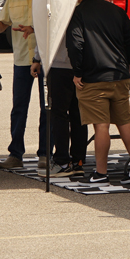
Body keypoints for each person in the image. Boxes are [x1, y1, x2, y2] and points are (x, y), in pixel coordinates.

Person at [66, 0, 130, 184]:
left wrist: (77, 72)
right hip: (119, 76)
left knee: (101, 125)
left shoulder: (78, 13)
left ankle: (101, 173)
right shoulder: (116, 10)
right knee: (125, 122)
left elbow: (76, 44)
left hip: (94, 77)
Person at [0, 0, 48, 170]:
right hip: (22, 59)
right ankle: (15, 154)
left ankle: (45, 154)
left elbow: (55, 24)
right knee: (19, 107)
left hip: (46, 59)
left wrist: (34, 29)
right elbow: (3, 24)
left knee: (47, 108)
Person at [45, 40, 87, 175]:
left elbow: (45, 35)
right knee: (78, 114)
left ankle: (62, 161)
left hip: (59, 64)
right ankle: (78, 161)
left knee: (59, 114)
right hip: (81, 64)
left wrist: (37, 58)